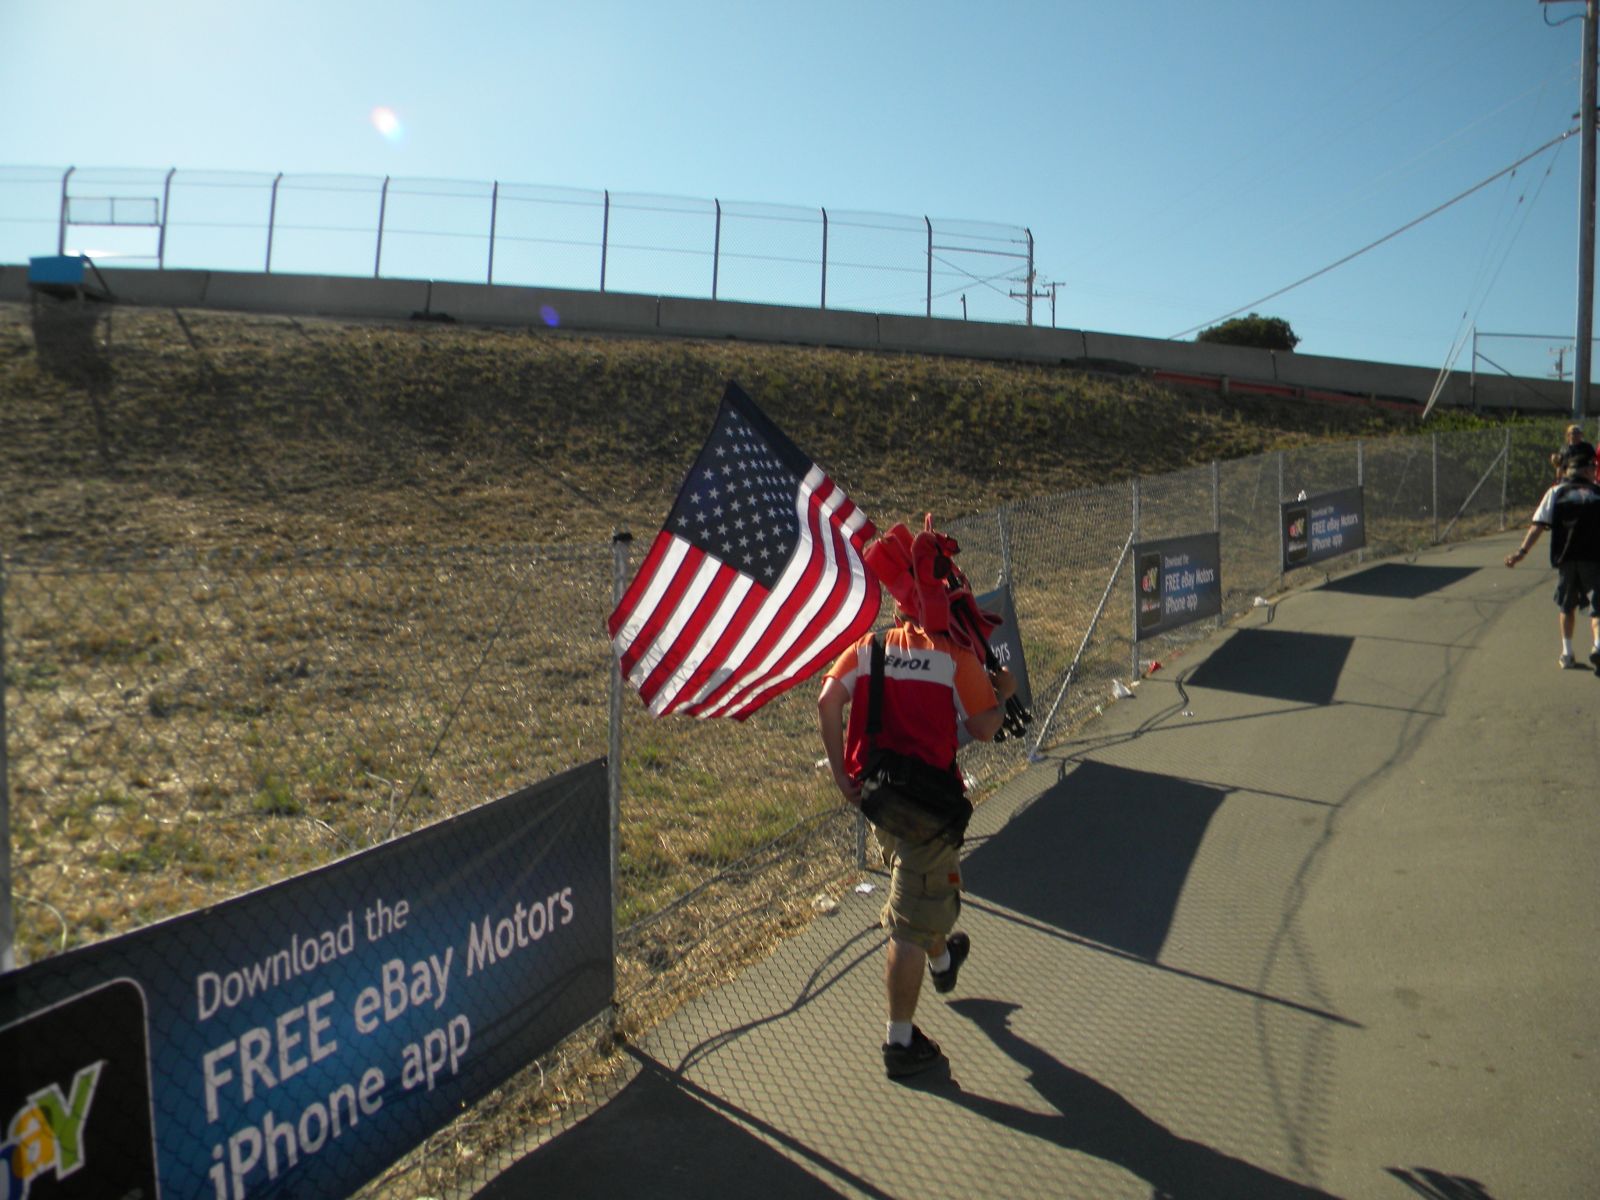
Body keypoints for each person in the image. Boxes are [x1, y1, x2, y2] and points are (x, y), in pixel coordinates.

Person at [817, 517, 1016, 1080]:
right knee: (913, 916)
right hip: (930, 805)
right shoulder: (954, 656)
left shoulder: (870, 649)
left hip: (881, 799)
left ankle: (944, 958)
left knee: (918, 887)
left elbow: (827, 702)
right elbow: (985, 728)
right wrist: (1002, 694)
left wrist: (842, 777)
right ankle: (900, 1041)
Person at [1506, 448, 1600, 669]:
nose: (1595, 471)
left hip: (1565, 557)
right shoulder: (1598, 492)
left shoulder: (1556, 492)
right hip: (1594, 557)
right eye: (1593, 468)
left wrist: (1521, 552)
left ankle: (1567, 653)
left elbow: (1538, 525)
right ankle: (1598, 645)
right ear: (1586, 470)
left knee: (1567, 606)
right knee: (1598, 606)